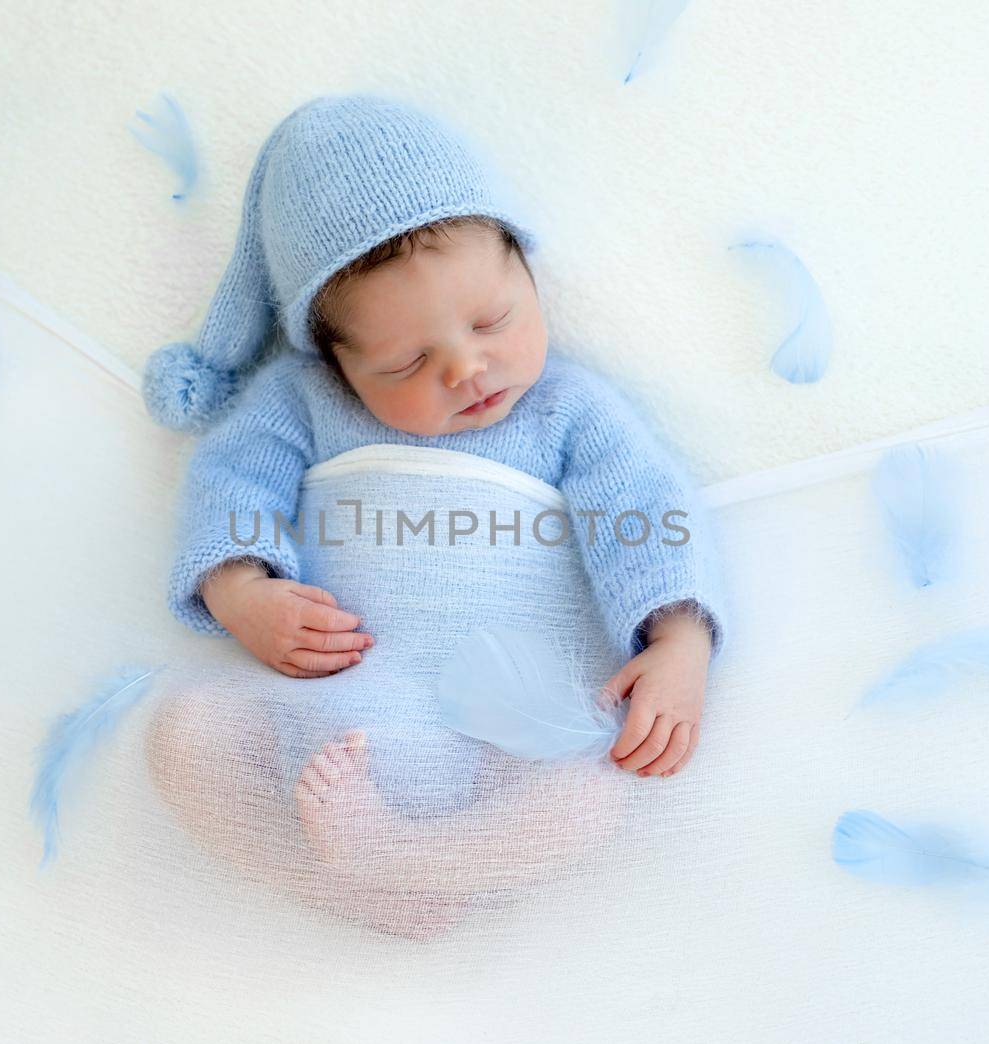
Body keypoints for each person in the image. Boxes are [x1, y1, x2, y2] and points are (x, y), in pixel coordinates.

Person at [142, 94, 727, 940]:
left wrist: (681, 639)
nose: (468, 368)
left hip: (501, 732)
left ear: (527, 270)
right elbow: (231, 482)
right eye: (408, 360)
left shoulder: (568, 411)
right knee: (184, 735)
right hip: (323, 718)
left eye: (494, 319)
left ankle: (406, 867)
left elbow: (644, 510)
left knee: (591, 795)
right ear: (335, 358)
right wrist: (239, 589)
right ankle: (353, 889)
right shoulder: (300, 403)